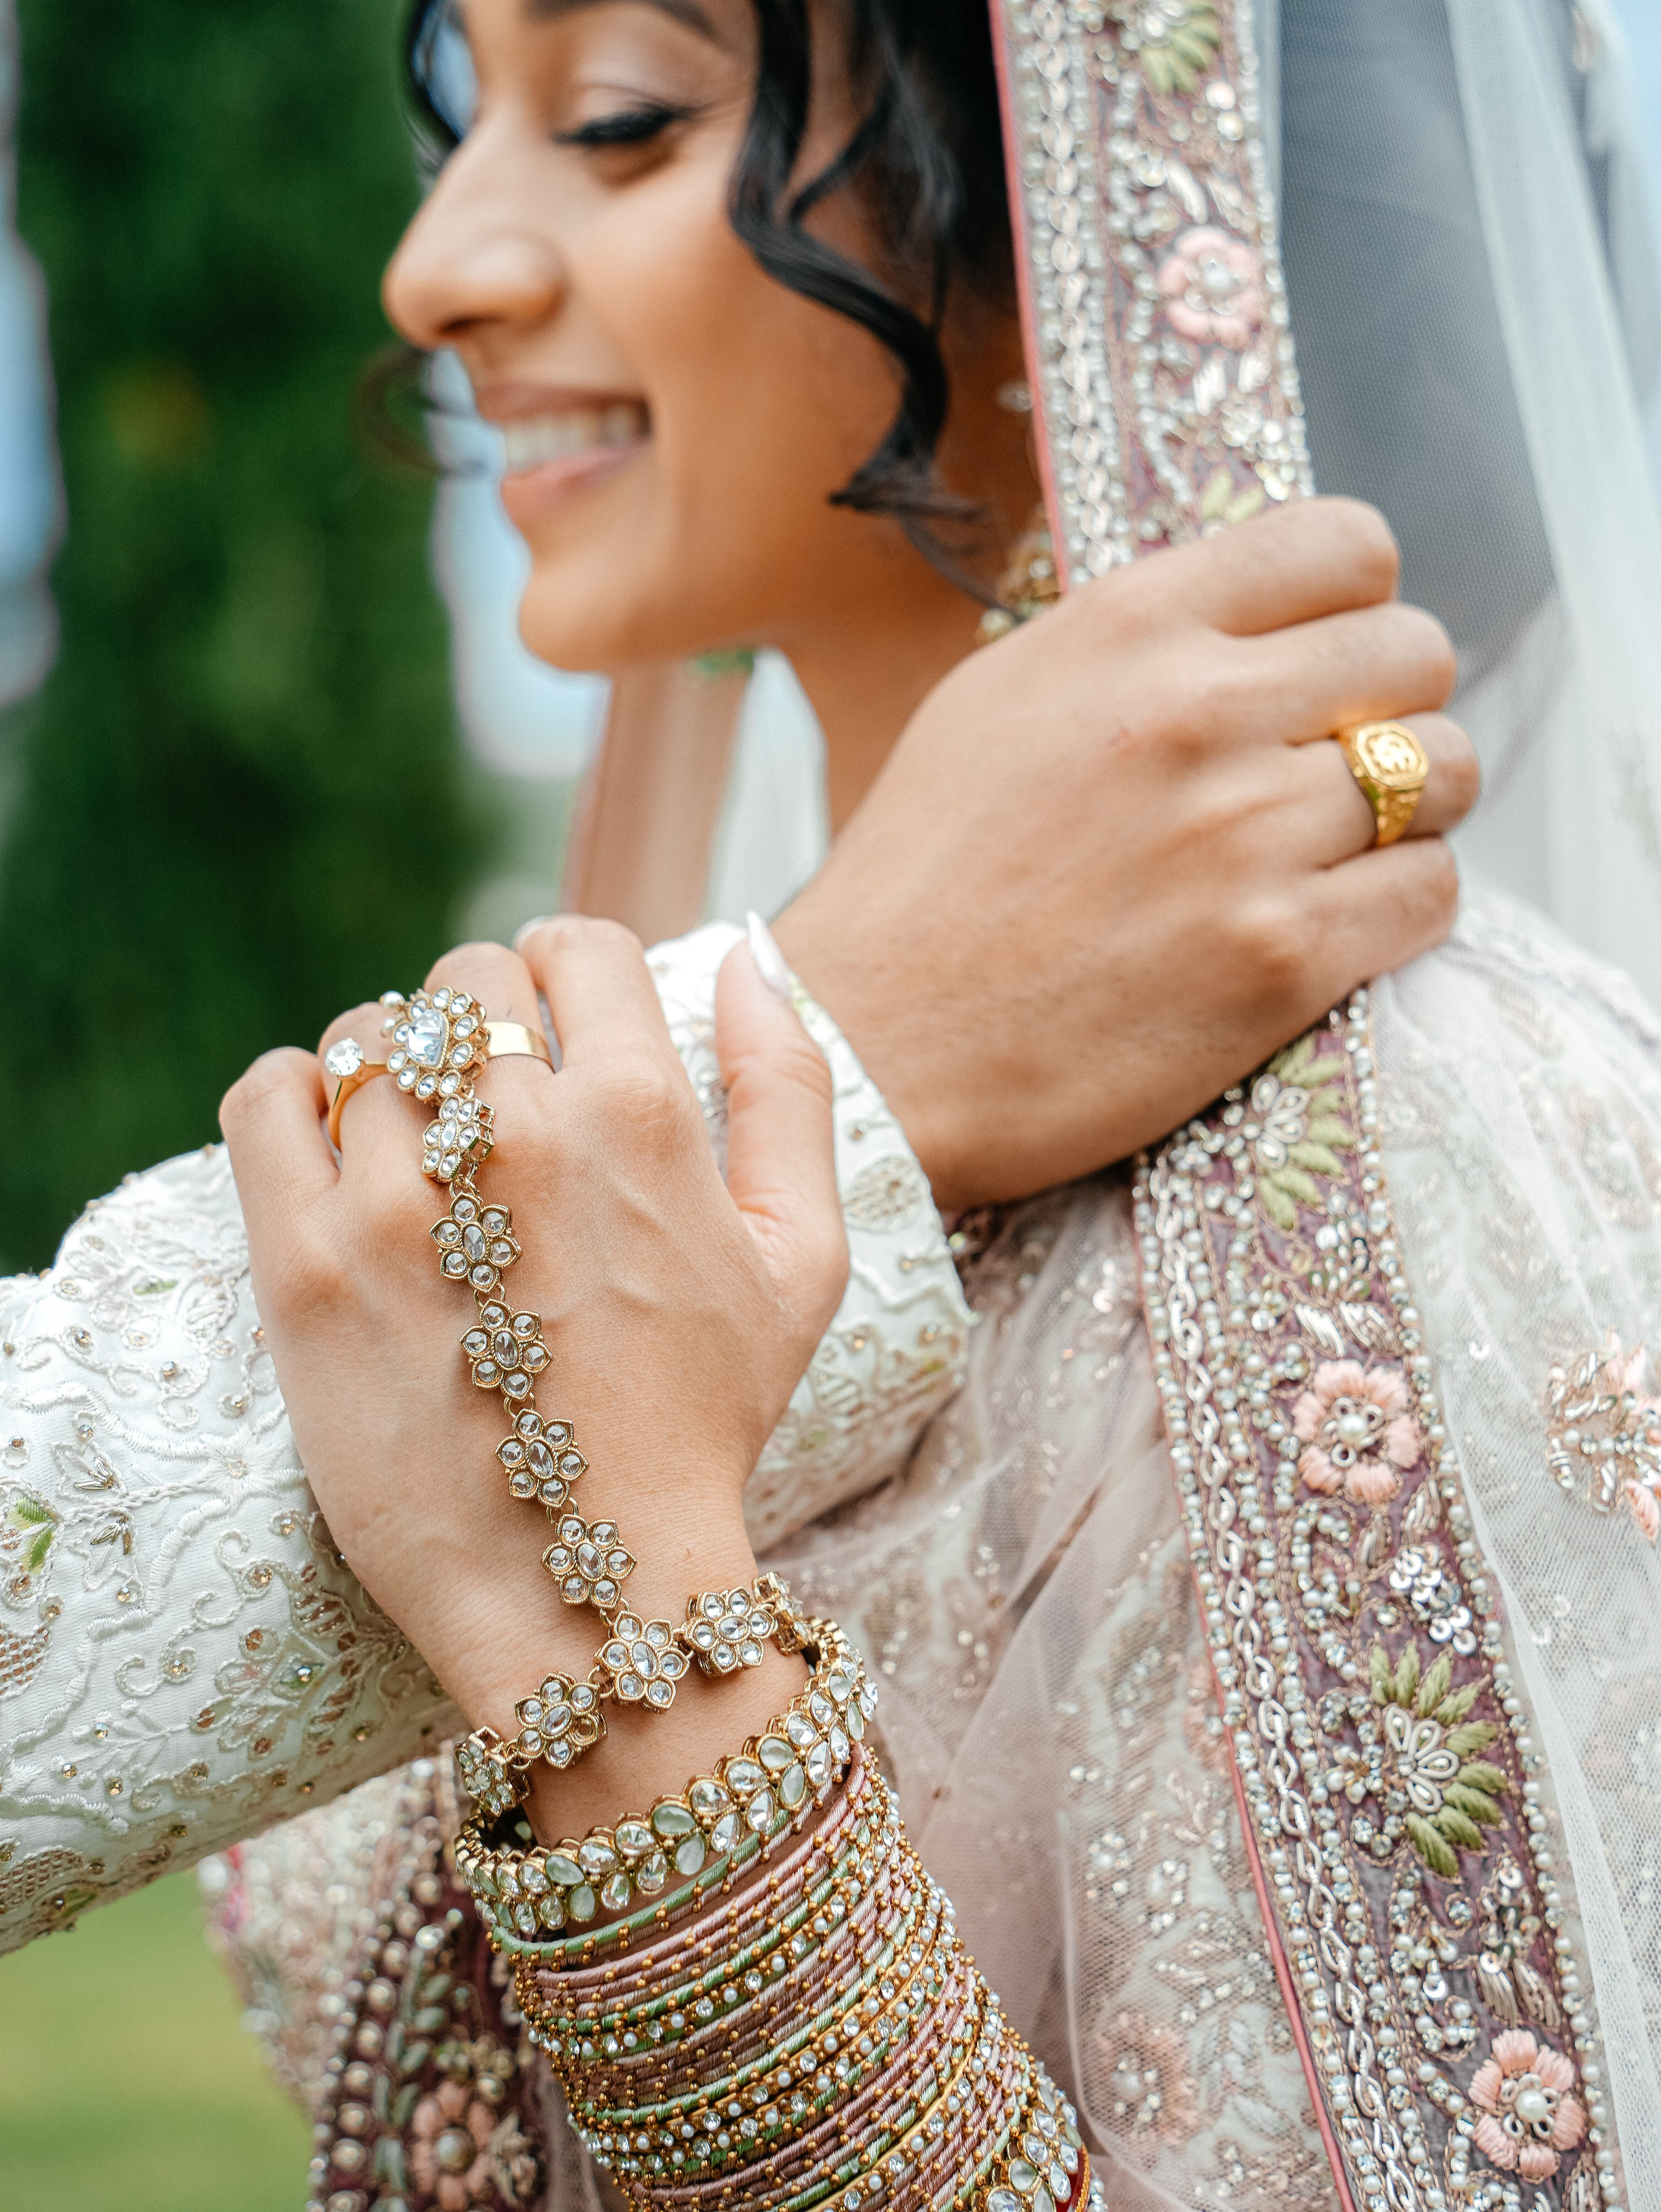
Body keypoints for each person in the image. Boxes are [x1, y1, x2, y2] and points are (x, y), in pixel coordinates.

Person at [3, 0, 1659, 2207]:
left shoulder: (1422, 1155)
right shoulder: (628, 1119)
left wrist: (635, 1690)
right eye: (460, 115)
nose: (432, 269)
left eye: (619, 115)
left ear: (1077, 216)